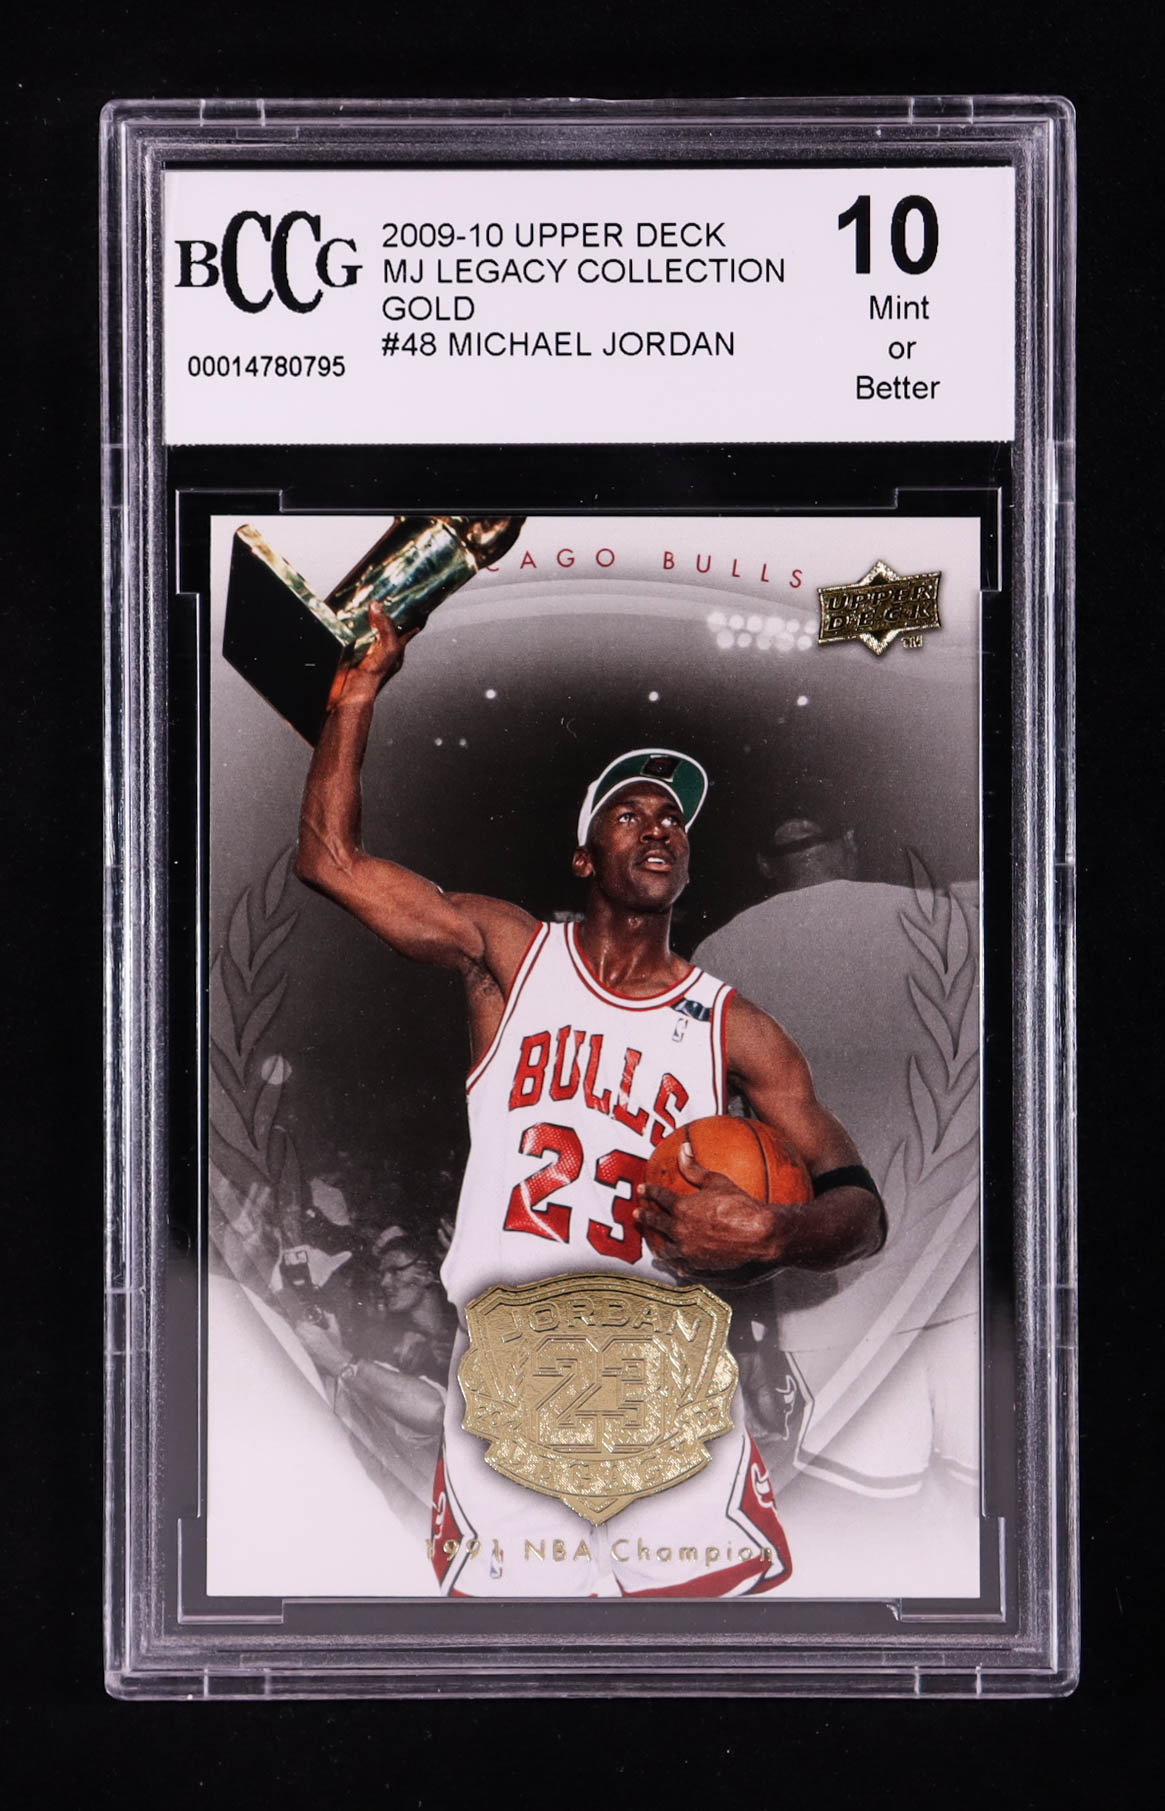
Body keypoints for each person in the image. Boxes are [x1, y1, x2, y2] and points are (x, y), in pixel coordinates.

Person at [294, 605, 884, 1597]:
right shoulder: (512, 954)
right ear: (582, 856)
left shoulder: (735, 1026)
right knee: (512, 1663)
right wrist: (354, 699)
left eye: (673, 820)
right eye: (630, 812)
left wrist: (780, 1232)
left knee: (702, 1663)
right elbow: (329, 861)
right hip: (511, 1383)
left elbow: (861, 1211)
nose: (658, 826)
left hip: (665, 1386)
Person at [694, 803, 980, 1570]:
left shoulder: (721, 949)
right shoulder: (949, 914)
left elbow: (711, 1137)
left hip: (832, 1278)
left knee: (869, 1509)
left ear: (765, 867)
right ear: (848, 844)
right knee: (983, 1497)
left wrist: (747, 1315)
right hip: (967, 1266)